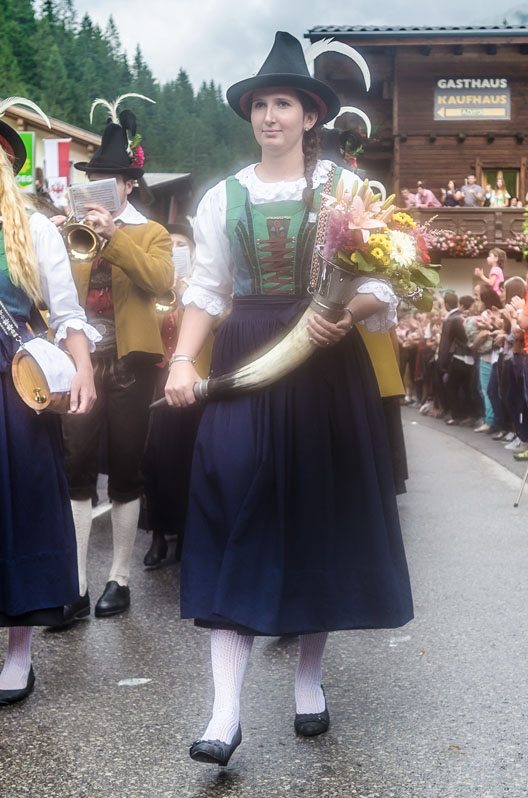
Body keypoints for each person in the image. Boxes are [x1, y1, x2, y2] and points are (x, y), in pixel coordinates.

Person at [165, 31, 413, 766]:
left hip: (323, 362)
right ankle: (225, 712)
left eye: (284, 104)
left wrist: (349, 313)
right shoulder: (222, 197)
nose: (270, 116)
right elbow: (207, 290)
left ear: (311, 116)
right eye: (260, 105)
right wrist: (181, 359)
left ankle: (308, 679)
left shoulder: (347, 190)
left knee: (316, 514)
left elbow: (385, 282)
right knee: (228, 501)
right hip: (246, 356)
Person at [0, 98, 98, 704]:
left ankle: (19, 652)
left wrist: (82, 368)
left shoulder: (34, 230)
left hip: (12, 386)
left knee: (23, 506)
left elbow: (66, 314)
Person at [59, 102, 174, 620]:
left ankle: (119, 578)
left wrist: (114, 235)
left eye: (110, 182)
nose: (101, 189)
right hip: (81, 360)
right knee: (76, 467)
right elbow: (58, 294)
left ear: (129, 184)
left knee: (127, 468)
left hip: (132, 364)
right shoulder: (72, 230)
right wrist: (60, 237)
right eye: (95, 181)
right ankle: (76, 583)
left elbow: (160, 282)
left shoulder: (151, 232)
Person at [142, 219, 210, 568]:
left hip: (197, 381)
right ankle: (157, 534)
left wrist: (187, 295)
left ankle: (186, 534)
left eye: (181, 244)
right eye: (169, 245)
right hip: (158, 379)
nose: (175, 249)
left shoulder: (207, 284)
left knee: (190, 459)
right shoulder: (153, 285)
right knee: (154, 460)